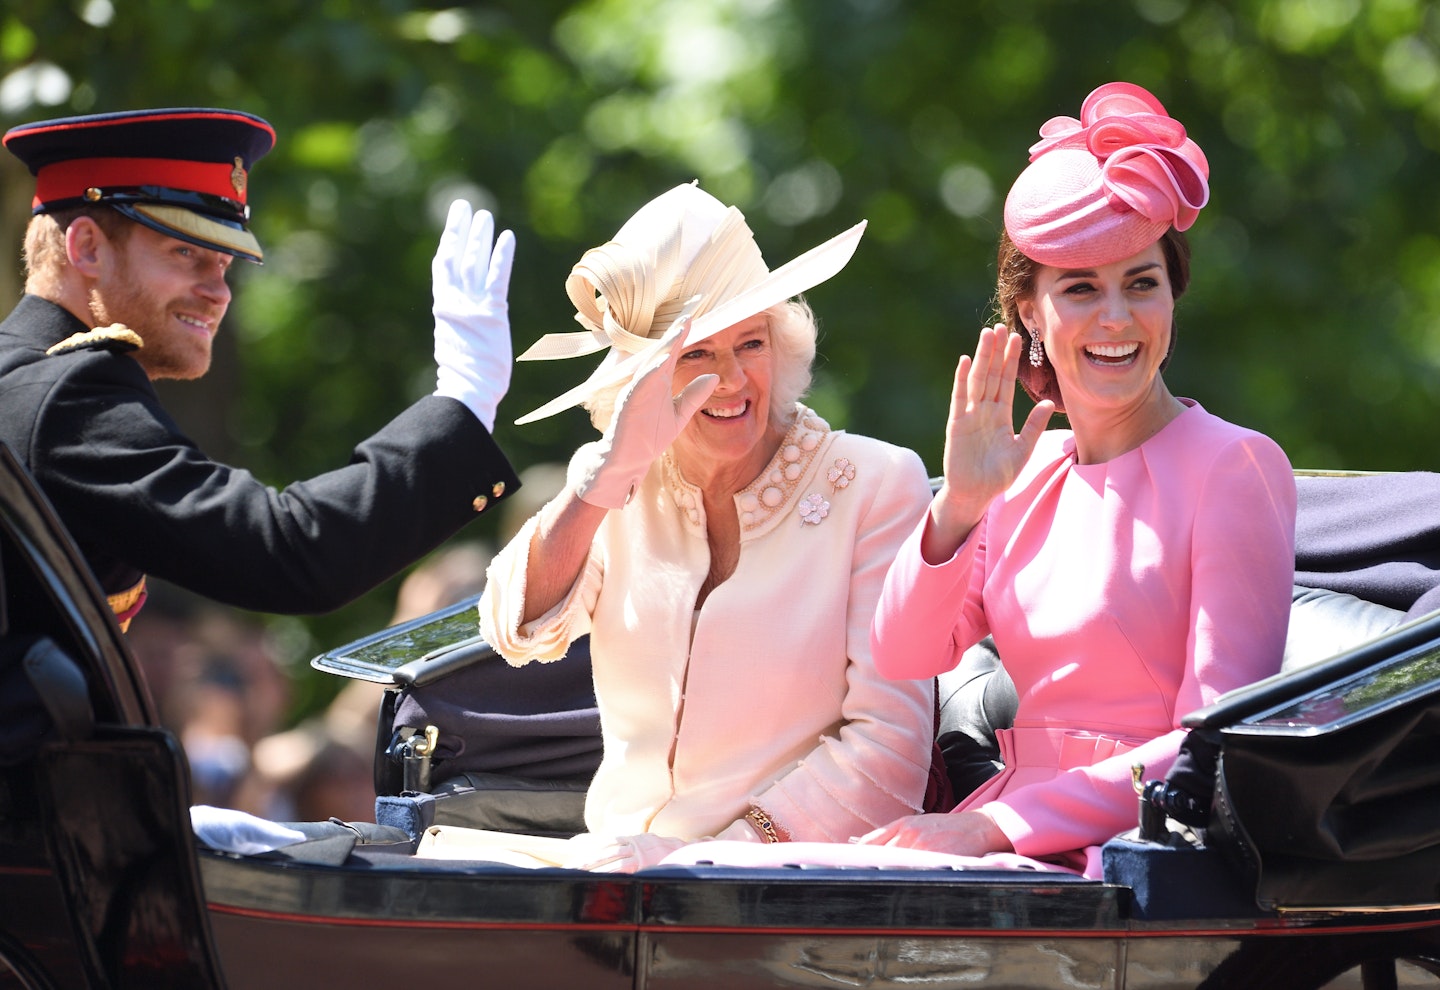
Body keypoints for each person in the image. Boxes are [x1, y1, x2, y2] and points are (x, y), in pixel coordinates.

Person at [858, 82, 1297, 877]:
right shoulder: (1022, 474)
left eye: (1142, 283)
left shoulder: (1233, 465)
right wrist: (958, 505)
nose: (1117, 319)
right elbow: (902, 651)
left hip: (1136, 852)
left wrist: (998, 827)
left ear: (1173, 295)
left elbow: (1211, 749)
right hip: (1001, 838)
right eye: (1081, 289)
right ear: (1029, 311)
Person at [476, 182, 936, 871]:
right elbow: (517, 629)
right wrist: (607, 477)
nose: (729, 380)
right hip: (612, 876)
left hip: (791, 892)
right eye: (694, 355)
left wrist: (713, 863)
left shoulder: (875, 483)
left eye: (750, 343)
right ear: (640, 375)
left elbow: (889, 752)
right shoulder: (616, 482)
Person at [0, 107, 520, 630]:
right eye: (185, 252)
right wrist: (463, 403)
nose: (218, 292)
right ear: (87, 247)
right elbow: (289, 552)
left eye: (224, 264)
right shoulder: (66, 395)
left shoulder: (25, 379)